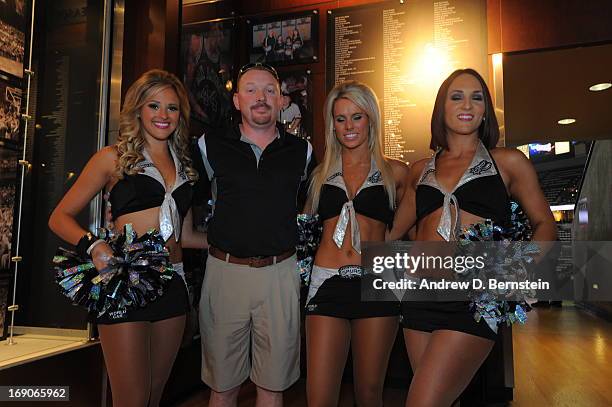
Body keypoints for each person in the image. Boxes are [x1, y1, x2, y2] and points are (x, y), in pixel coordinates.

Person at [388, 68, 557, 406]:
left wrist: (517, 267)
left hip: (476, 299)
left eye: (476, 97)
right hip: (421, 295)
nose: (467, 104)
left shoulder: (508, 162)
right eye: (456, 96)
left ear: (485, 110)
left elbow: (545, 224)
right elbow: (395, 231)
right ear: (441, 108)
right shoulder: (421, 169)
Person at [49, 69, 207, 407]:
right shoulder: (112, 157)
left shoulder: (184, 164)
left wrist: (241, 239)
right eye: (154, 106)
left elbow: (189, 235)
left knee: (153, 396)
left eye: (172, 108)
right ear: (138, 109)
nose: (163, 116)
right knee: (131, 399)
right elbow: (59, 217)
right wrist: (94, 245)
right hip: (126, 284)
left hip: (174, 283)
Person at [196, 62, 314, 407]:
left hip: (281, 273)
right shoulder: (209, 146)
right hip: (224, 272)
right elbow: (184, 201)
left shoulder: (302, 152)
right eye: (251, 90)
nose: (260, 98)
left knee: (273, 387)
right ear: (236, 101)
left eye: (269, 91)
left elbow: (309, 209)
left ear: (282, 100)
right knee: (222, 386)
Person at [305, 81, 410, 407]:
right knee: (319, 397)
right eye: (340, 119)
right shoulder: (321, 174)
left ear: (371, 119)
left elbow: (411, 229)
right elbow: (304, 230)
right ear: (332, 125)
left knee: (368, 394)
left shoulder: (397, 173)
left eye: (357, 117)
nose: (348, 126)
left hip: (377, 281)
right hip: (326, 281)